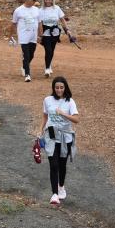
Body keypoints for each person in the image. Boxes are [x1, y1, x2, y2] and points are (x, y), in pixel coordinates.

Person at [40, 76, 79, 205]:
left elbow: (76, 119)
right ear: (53, 88)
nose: (59, 90)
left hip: (65, 137)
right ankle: (54, 194)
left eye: (61, 87)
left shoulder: (70, 102)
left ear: (65, 88)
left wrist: (62, 113)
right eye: (57, 87)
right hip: (51, 135)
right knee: (53, 164)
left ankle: (61, 186)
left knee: (62, 165)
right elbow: (45, 117)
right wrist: (40, 131)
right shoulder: (47, 100)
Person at [38, 0, 72, 77]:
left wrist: (67, 29)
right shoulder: (41, 10)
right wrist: (39, 35)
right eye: (46, 0)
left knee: (52, 50)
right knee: (48, 50)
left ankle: (49, 65)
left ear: (52, 0)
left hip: (55, 32)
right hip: (45, 32)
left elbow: (62, 20)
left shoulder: (57, 8)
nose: (48, 1)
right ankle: (47, 69)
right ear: (44, 0)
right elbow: (39, 23)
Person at [12, 0, 40, 82]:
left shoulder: (36, 10)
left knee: (31, 54)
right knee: (26, 55)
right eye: (33, 0)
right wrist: (13, 35)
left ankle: (24, 66)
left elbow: (40, 23)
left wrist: (40, 34)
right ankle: (27, 75)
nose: (35, 1)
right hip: (23, 36)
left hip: (33, 36)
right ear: (27, 0)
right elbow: (14, 23)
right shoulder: (18, 10)